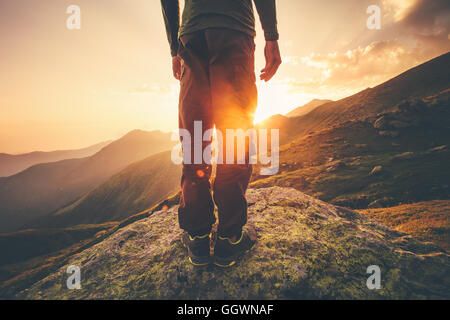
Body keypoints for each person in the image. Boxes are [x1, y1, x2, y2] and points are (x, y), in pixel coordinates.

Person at [161, 0, 281, 267]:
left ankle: (198, 235)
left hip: (192, 35)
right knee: (235, 135)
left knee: (194, 135)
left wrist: (174, 48)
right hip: (234, 28)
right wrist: (271, 36)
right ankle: (230, 238)